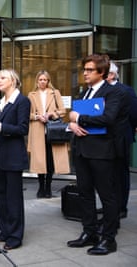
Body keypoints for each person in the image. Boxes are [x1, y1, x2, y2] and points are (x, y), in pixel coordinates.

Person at [67, 54, 126, 255]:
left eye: (89, 70)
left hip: (102, 152)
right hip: (82, 151)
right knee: (85, 194)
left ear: (101, 72)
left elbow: (108, 118)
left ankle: (108, 239)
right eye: (84, 69)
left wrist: (80, 118)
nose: (85, 73)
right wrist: (72, 124)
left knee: (107, 196)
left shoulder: (113, 92)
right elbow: (74, 118)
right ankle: (89, 232)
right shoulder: (84, 93)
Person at [0, 69, 30, 250]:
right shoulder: (1, 102)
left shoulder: (22, 101)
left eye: (2, 78)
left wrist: (1, 127)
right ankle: (4, 230)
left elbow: (23, 128)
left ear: (13, 81)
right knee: (1, 196)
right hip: (1, 156)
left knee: (13, 198)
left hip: (14, 156)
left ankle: (15, 236)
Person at [27, 70, 70, 198]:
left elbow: (62, 111)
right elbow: (27, 114)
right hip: (37, 130)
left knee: (50, 159)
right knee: (40, 160)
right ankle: (41, 187)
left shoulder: (55, 93)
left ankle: (48, 187)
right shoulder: (31, 94)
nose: (42, 82)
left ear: (48, 81)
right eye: (40, 79)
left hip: (52, 129)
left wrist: (51, 114)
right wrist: (37, 116)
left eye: (45, 79)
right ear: (37, 81)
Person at [106, 61, 137, 219]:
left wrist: (129, 131)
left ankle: (121, 207)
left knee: (120, 174)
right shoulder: (100, 91)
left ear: (111, 74)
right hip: (104, 140)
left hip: (121, 138)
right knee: (108, 175)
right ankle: (110, 207)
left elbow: (133, 115)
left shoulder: (126, 91)